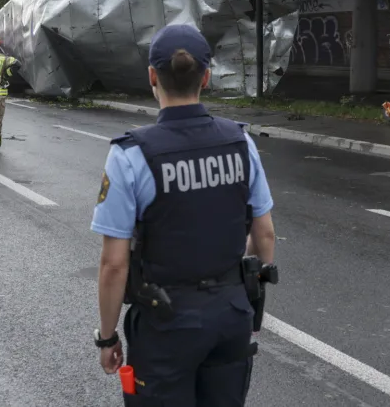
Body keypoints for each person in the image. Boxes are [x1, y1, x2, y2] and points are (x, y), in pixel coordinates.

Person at [91, 24, 276, 406]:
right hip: (231, 314)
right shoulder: (241, 142)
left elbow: (113, 264)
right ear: (206, 77)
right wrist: (248, 304)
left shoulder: (131, 154)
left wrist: (108, 337)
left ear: (151, 77)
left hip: (165, 323)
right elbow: (265, 236)